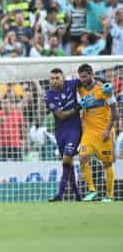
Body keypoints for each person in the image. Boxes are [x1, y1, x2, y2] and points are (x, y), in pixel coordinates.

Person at [77, 63, 119, 202]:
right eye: (81, 77)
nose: (83, 79)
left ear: (91, 74)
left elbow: (116, 112)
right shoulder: (81, 89)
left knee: (107, 164)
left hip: (104, 132)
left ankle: (110, 195)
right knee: (83, 157)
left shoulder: (104, 90)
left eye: (85, 76)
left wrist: (108, 130)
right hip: (89, 132)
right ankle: (91, 190)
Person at [45, 68, 82, 201]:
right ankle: (78, 195)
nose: (54, 81)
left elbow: (88, 80)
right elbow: (60, 115)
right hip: (60, 132)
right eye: (52, 78)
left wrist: (104, 82)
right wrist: (78, 107)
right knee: (68, 163)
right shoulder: (49, 95)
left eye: (57, 78)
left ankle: (60, 194)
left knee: (66, 159)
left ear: (63, 78)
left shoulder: (72, 84)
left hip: (74, 129)